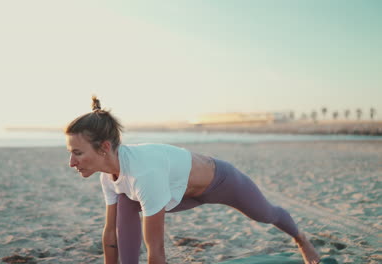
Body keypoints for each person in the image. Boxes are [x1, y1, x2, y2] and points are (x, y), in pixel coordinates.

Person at [65, 96, 320, 264]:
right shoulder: (110, 177)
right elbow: (110, 233)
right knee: (126, 201)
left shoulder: (145, 175)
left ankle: (301, 239)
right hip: (180, 191)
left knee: (266, 214)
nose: (72, 163)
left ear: (104, 147)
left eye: (78, 153)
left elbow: (156, 250)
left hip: (220, 181)